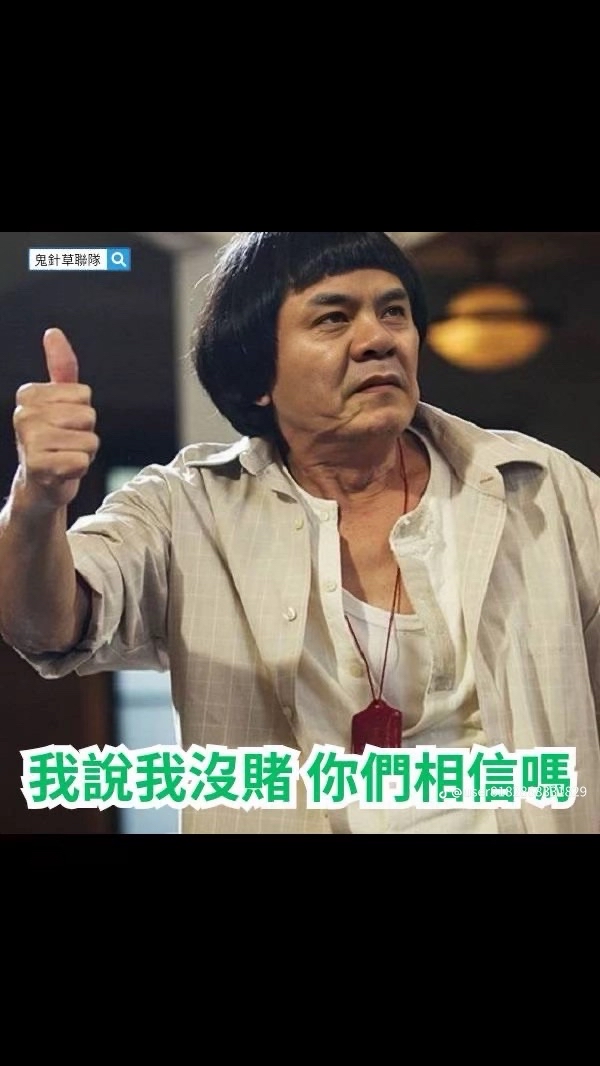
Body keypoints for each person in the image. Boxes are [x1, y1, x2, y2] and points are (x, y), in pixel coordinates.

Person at [1, 230, 599, 835]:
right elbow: (44, 625)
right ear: (257, 374)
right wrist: (36, 501)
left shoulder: (541, 488)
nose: (378, 339)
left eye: (394, 311)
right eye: (333, 318)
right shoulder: (186, 509)